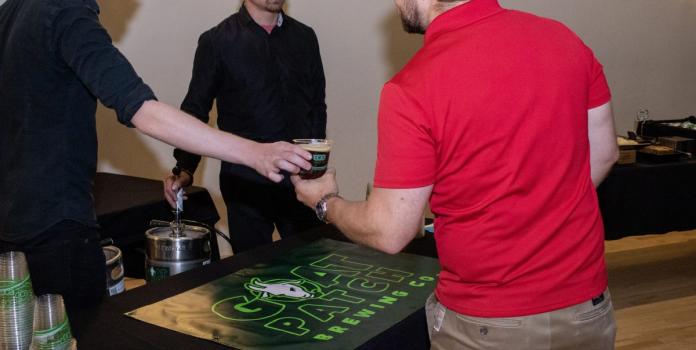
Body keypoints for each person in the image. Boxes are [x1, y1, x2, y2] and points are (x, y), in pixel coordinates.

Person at [292, 0, 619, 349]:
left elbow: (390, 230)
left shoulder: (412, 86)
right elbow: (604, 153)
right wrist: (540, 207)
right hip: (588, 310)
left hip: (488, 325)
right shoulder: (564, 40)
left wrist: (326, 202)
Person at [0, 0, 311, 314]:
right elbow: (143, 111)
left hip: (14, 225)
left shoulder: (14, 10)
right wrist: (254, 153)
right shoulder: (67, 13)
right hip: (58, 228)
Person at [163, 0, 326, 254]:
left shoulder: (305, 38)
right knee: (251, 277)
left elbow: (316, 106)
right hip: (245, 185)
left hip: (300, 181)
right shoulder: (216, 41)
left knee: (310, 268)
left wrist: (317, 167)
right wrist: (184, 168)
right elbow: (196, 110)